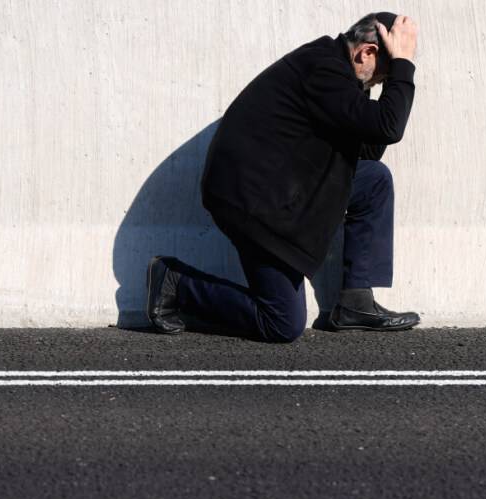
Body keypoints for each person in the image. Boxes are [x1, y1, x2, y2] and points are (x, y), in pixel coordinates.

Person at [146, 12, 420, 343]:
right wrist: (402, 65)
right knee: (282, 323)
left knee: (373, 180)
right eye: (381, 77)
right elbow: (388, 127)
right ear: (367, 53)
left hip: (285, 188)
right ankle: (175, 283)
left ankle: (355, 304)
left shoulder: (340, 74)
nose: (378, 85)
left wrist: (391, 75)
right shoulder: (324, 71)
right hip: (254, 202)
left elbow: (371, 147)